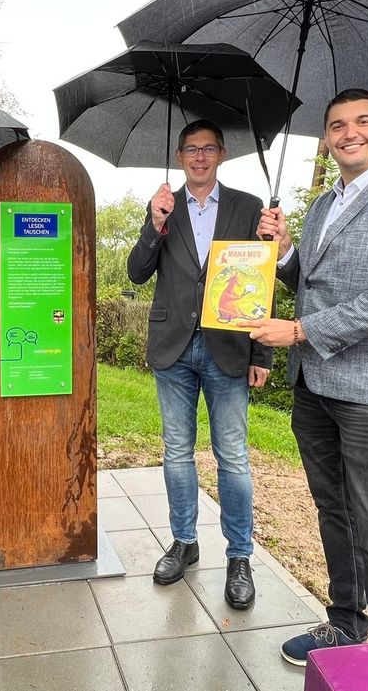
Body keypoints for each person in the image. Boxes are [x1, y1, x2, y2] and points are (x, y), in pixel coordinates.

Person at [245, 89, 368, 666]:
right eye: (337, 125)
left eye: (361, 121)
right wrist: (283, 253)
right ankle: (344, 625)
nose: (349, 132)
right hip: (316, 389)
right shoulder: (324, 204)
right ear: (327, 136)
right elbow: (312, 281)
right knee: (333, 511)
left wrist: (301, 331)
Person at [127, 120, 271, 610]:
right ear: (180, 154)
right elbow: (136, 271)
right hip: (173, 347)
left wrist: (262, 351)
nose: (200, 156)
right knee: (176, 451)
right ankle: (184, 542)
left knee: (232, 456)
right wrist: (154, 223)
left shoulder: (248, 207)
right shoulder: (164, 205)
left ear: (221, 154)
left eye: (209, 148)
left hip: (229, 346)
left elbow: (261, 281)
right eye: (191, 149)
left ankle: (239, 558)